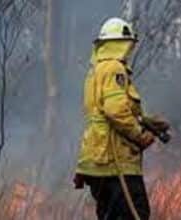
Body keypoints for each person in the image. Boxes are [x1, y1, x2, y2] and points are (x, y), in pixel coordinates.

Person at [73, 17, 169, 220]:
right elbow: (115, 111)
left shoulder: (96, 71)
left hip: (97, 161)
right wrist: (140, 136)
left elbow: (106, 109)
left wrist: (144, 119)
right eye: (128, 45)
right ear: (121, 45)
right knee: (136, 214)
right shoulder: (114, 69)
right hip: (115, 163)